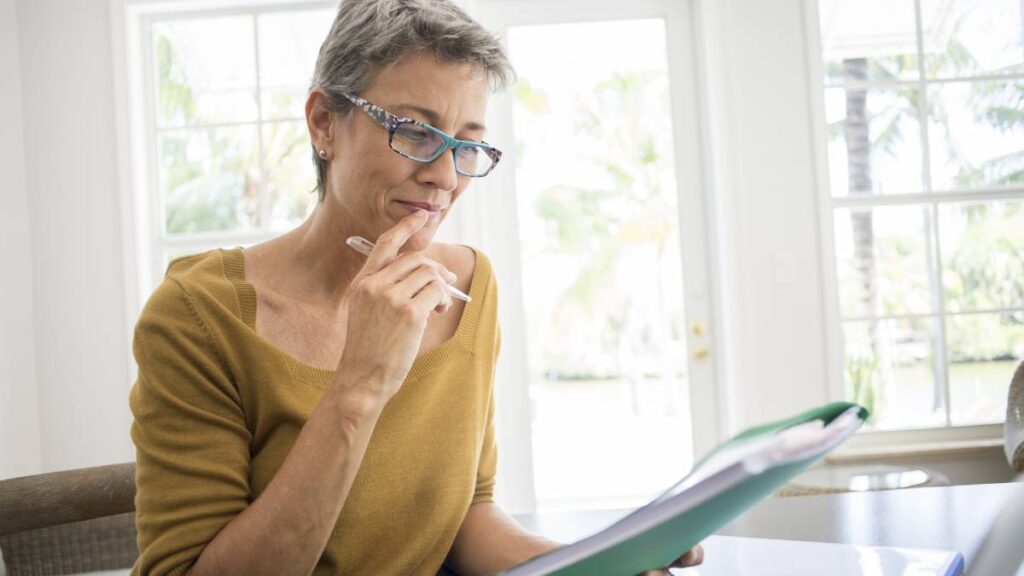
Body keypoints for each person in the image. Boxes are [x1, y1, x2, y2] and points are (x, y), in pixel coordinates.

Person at [129, 0, 704, 574]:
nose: (446, 178)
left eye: (467, 144)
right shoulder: (197, 316)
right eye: (415, 132)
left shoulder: (469, 287)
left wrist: (597, 566)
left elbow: (466, 519)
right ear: (324, 123)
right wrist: (359, 385)